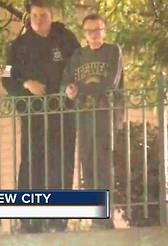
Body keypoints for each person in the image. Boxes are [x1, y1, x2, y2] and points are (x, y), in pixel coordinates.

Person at [1, 0, 80, 233]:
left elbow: (80, 66)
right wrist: (26, 83)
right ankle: (29, 220)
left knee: (62, 163)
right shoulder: (17, 46)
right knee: (32, 164)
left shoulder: (67, 39)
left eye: (43, 15)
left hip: (63, 112)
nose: (39, 20)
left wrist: (73, 87)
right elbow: (6, 78)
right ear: (29, 18)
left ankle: (58, 220)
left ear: (51, 15)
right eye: (34, 16)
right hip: (33, 114)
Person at [62, 13, 124, 229]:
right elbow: (66, 82)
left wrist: (80, 90)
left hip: (105, 115)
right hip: (84, 117)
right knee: (87, 166)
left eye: (98, 30)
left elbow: (109, 83)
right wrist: (69, 90)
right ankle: (94, 218)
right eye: (90, 31)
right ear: (84, 33)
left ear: (104, 31)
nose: (94, 35)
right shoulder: (78, 55)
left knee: (104, 167)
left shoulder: (112, 51)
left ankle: (106, 219)